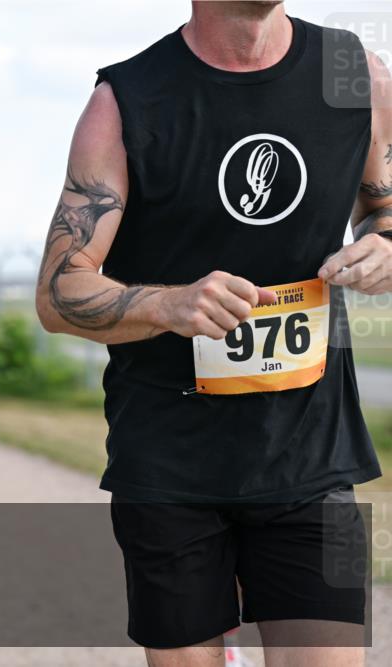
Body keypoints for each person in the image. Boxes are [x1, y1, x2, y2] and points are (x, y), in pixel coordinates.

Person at [34, 2, 391, 665]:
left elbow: (384, 208)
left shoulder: (355, 75)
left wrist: (384, 245)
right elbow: (58, 290)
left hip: (309, 453)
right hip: (170, 462)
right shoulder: (126, 101)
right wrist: (169, 304)